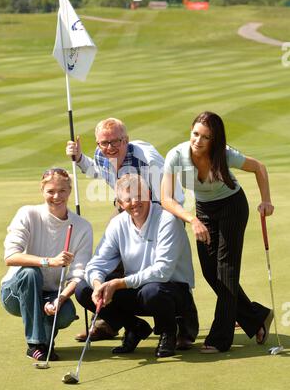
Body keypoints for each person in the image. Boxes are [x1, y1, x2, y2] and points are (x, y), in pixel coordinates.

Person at [66, 117, 198, 345]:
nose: (109, 148)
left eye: (115, 142)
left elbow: (174, 192)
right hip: (126, 210)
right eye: (103, 143)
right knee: (113, 266)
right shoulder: (101, 155)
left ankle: (183, 322)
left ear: (126, 139)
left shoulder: (147, 160)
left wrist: (170, 220)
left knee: (166, 270)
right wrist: (79, 159)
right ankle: (112, 321)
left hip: (160, 211)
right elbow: (97, 171)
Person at [161, 111, 274, 353]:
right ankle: (256, 317)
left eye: (205, 137)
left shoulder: (224, 154)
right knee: (210, 272)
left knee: (226, 270)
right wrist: (193, 220)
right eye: (195, 134)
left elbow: (259, 168)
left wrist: (266, 201)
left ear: (215, 139)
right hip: (203, 211)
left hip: (232, 206)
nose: (198, 141)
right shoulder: (176, 155)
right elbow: (166, 199)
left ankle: (220, 338)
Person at [75, 174, 197, 357]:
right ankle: (134, 327)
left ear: (148, 193)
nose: (135, 202)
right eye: (128, 199)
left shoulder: (167, 220)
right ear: (119, 203)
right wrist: (98, 284)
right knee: (83, 289)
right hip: (139, 290)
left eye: (139, 195)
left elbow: (162, 271)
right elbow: (97, 263)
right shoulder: (118, 224)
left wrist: (118, 284)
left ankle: (169, 332)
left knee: (152, 291)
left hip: (173, 294)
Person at [1, 168, 93, 361]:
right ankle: (35, 344)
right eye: (50, 191)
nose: (56, 196)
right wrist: (49, 262)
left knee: (66, 313)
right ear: (42, 191)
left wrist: (60, 299)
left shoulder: (83, 227)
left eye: (62, 191)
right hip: (15, 292)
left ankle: (46, 341)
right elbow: (11, 256)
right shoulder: (27, 214)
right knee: (30, 273)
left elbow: (78, 274)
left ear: (69, 191)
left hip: (52, 293)